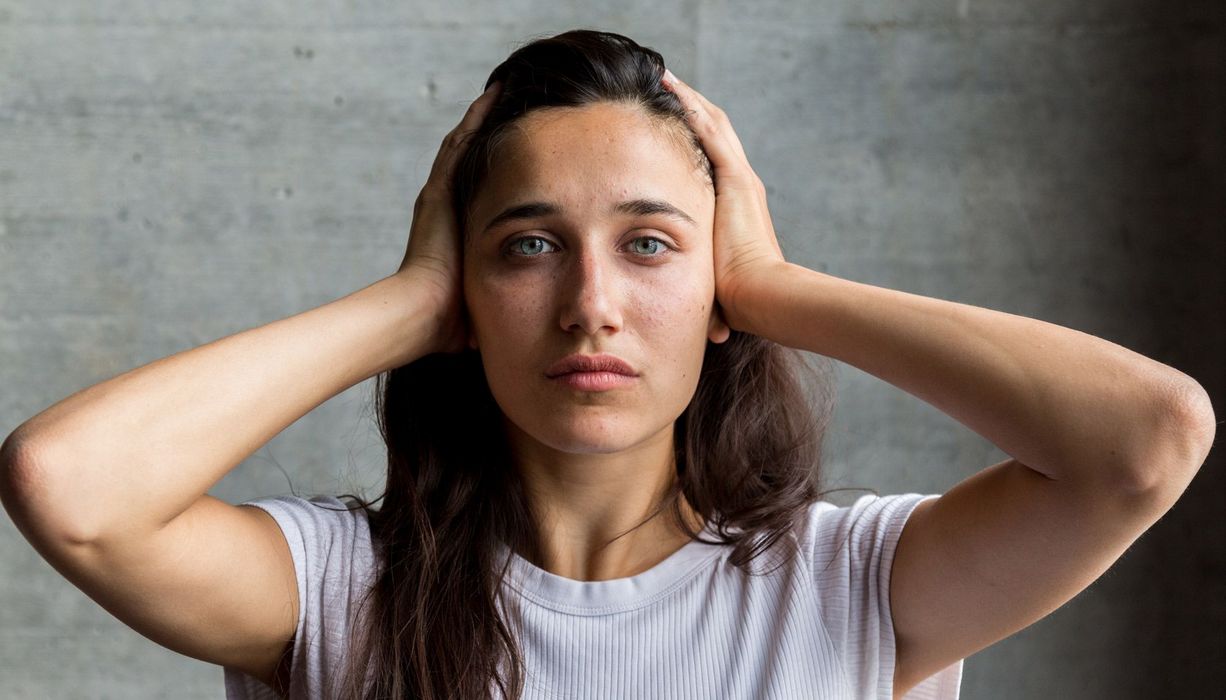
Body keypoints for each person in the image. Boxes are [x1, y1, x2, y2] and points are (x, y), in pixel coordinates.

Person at [0, 28, 1214, 700]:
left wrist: (775, 290)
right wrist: (412, 300)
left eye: (648, 245)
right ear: (465, 285)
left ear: (716, 280)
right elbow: (68, 485)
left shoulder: (852, 586)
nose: (591, 306)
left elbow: (1147, 438)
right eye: (528, 247)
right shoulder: (336, 589)